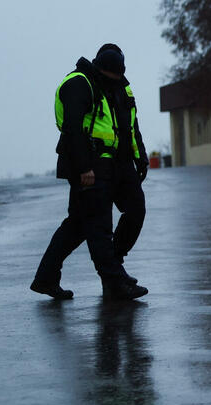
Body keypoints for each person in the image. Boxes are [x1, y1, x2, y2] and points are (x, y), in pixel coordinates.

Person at [31, 44, 149, 300]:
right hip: (91, 166)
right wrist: (84, 167)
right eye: (112, 76)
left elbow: (131, 126)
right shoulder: (79, 83)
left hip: (119, 164)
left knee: (119, 214)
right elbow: (72, 130)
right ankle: (114, 281)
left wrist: (140, 158)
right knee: (97, 225)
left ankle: (48, 278)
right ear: (101, 68)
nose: (116, 80)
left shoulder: (120, 87)